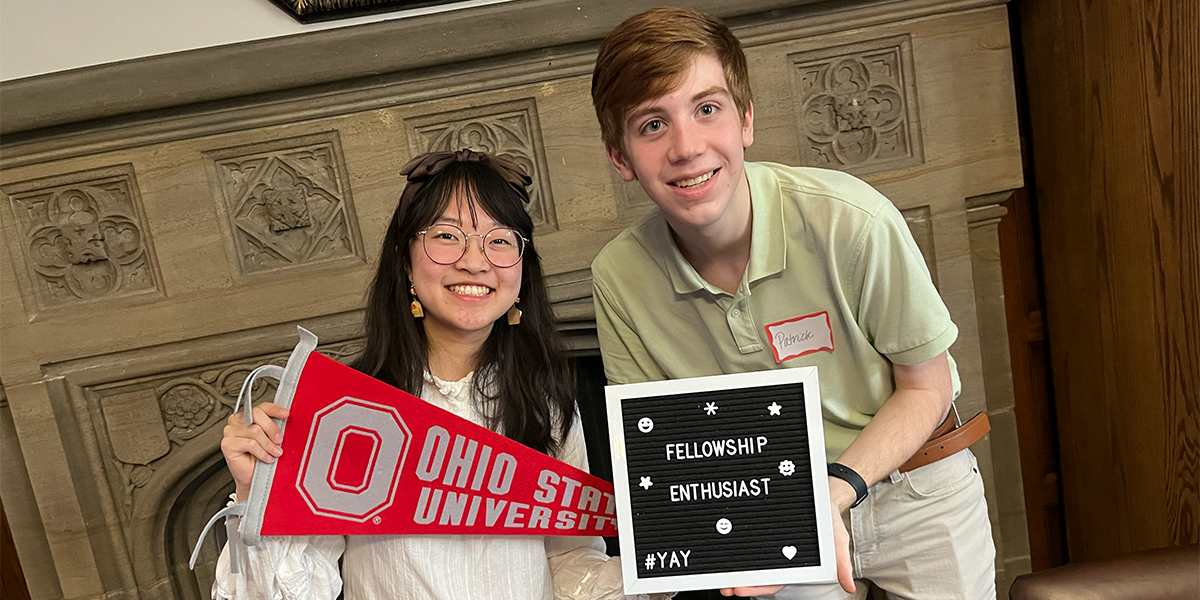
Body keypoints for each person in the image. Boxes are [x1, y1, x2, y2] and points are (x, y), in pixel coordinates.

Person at [590, 7, 995, 600]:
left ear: (746, 120)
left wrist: (831, 493)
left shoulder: (853, 221)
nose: (686, 147)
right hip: (772, 511)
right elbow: (662, 448)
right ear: (620, 156)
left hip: (917, 482)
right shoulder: (617, 279)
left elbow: (927, 389)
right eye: (652, 125)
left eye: (707, 109)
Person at [215, 149, 651, 600]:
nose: (475, 261)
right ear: (405, 261)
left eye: (500, 240)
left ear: (522, 272)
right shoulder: (346, 410)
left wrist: (663, 570)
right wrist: (255, 493)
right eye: (447, 235)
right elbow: (295, 592)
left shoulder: (547, 403)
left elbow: (568, 561)